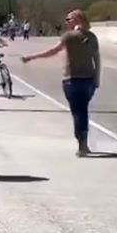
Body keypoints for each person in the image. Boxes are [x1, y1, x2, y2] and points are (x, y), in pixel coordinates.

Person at [22, 10, 101, 156]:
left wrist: (31, 57)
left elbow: (53, 51)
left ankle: (82, 144)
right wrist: (97, 78)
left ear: (77, 20)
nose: (66, 22)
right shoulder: (92, 36)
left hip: (72, 79)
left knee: (78, 112)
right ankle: (83, 142)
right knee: (83, 111)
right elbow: (97, 58)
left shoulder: (69, 36)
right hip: (89, 80)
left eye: (68, 19)